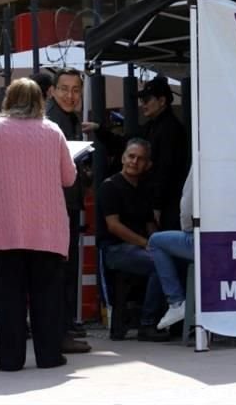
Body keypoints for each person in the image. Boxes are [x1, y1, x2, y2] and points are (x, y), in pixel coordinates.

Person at [0, 78, 77, 371]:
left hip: (6, 228)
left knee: (10, 296)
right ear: (41, 101)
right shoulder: (53, 131)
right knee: (47, 296)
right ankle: (49, 355)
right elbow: (69, 177)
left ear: (8, 100)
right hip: (47, 229)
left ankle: (9, 358)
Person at [95, 138, 168, 342]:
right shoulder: (109, 187)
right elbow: (114, 226)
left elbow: (150, 224)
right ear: (122, 158)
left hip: (138, 248)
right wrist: (147, 245)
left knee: (169, 259)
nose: (134, 162)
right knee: (160, 264)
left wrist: (162, 243)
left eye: (141, 159)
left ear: (148, 165)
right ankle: (148, 323)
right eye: (131, 156)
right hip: (114, 249)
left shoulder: (143, 189)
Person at [43, 68, 94, 353]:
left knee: (65, 270)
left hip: (69, 200)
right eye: (65, 88)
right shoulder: (52, 121)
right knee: (59, 271)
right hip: (57, 205)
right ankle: (58, 332)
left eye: (76, 90)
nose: (70, 95)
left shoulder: (70, 118)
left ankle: (64, 328)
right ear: (52, 90)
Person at [137, 77, 189, 231]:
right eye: (142, 100)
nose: (143, 104)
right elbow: (127, 140)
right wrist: (100, 129)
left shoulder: (169, 128)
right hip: (157, 201)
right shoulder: (153, 126)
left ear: (162, 101)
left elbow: (166, 168)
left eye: (147, 100)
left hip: (168, 204)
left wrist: (157, 204)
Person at [148, 168, 194, 330]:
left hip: (206, 241)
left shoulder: (202, 159)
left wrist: (187, 228)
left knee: (155, 241)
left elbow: (188, 207)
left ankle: (176, 303)